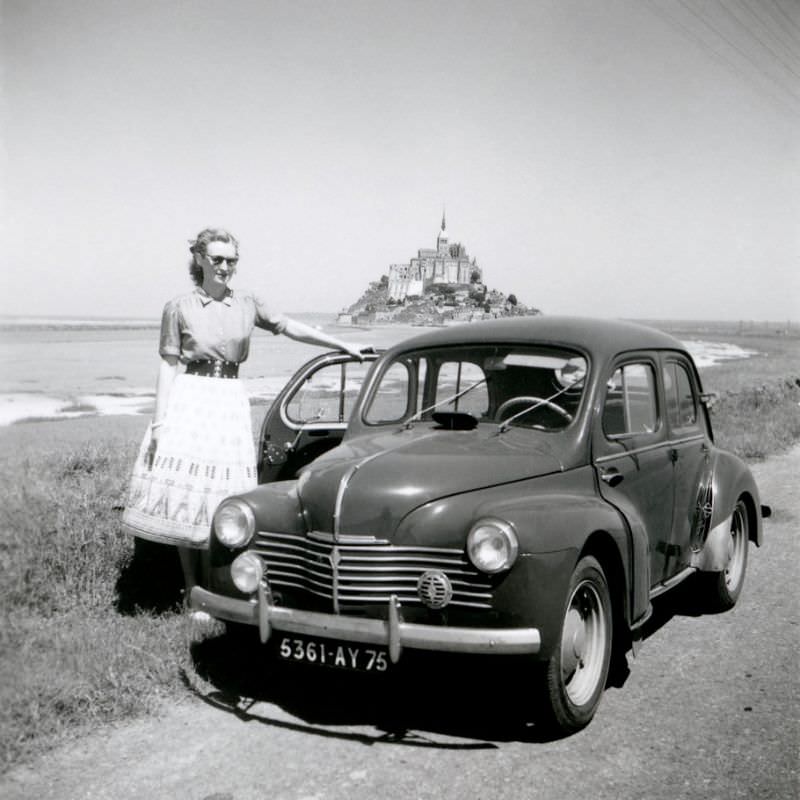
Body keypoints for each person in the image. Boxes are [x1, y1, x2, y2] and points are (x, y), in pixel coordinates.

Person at [121, 227, 366, 606]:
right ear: (199, 259)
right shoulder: (178, 306)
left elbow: (289, 326)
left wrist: (342, 344)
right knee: (190, 498)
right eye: (217, 259)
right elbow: (168, 365)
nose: (224, 267)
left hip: (228, 400)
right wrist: (159, 423)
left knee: (222, 495)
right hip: (191, 400)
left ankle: (218, 584)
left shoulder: (247, 302)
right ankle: (192, 589)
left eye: (231, 260)